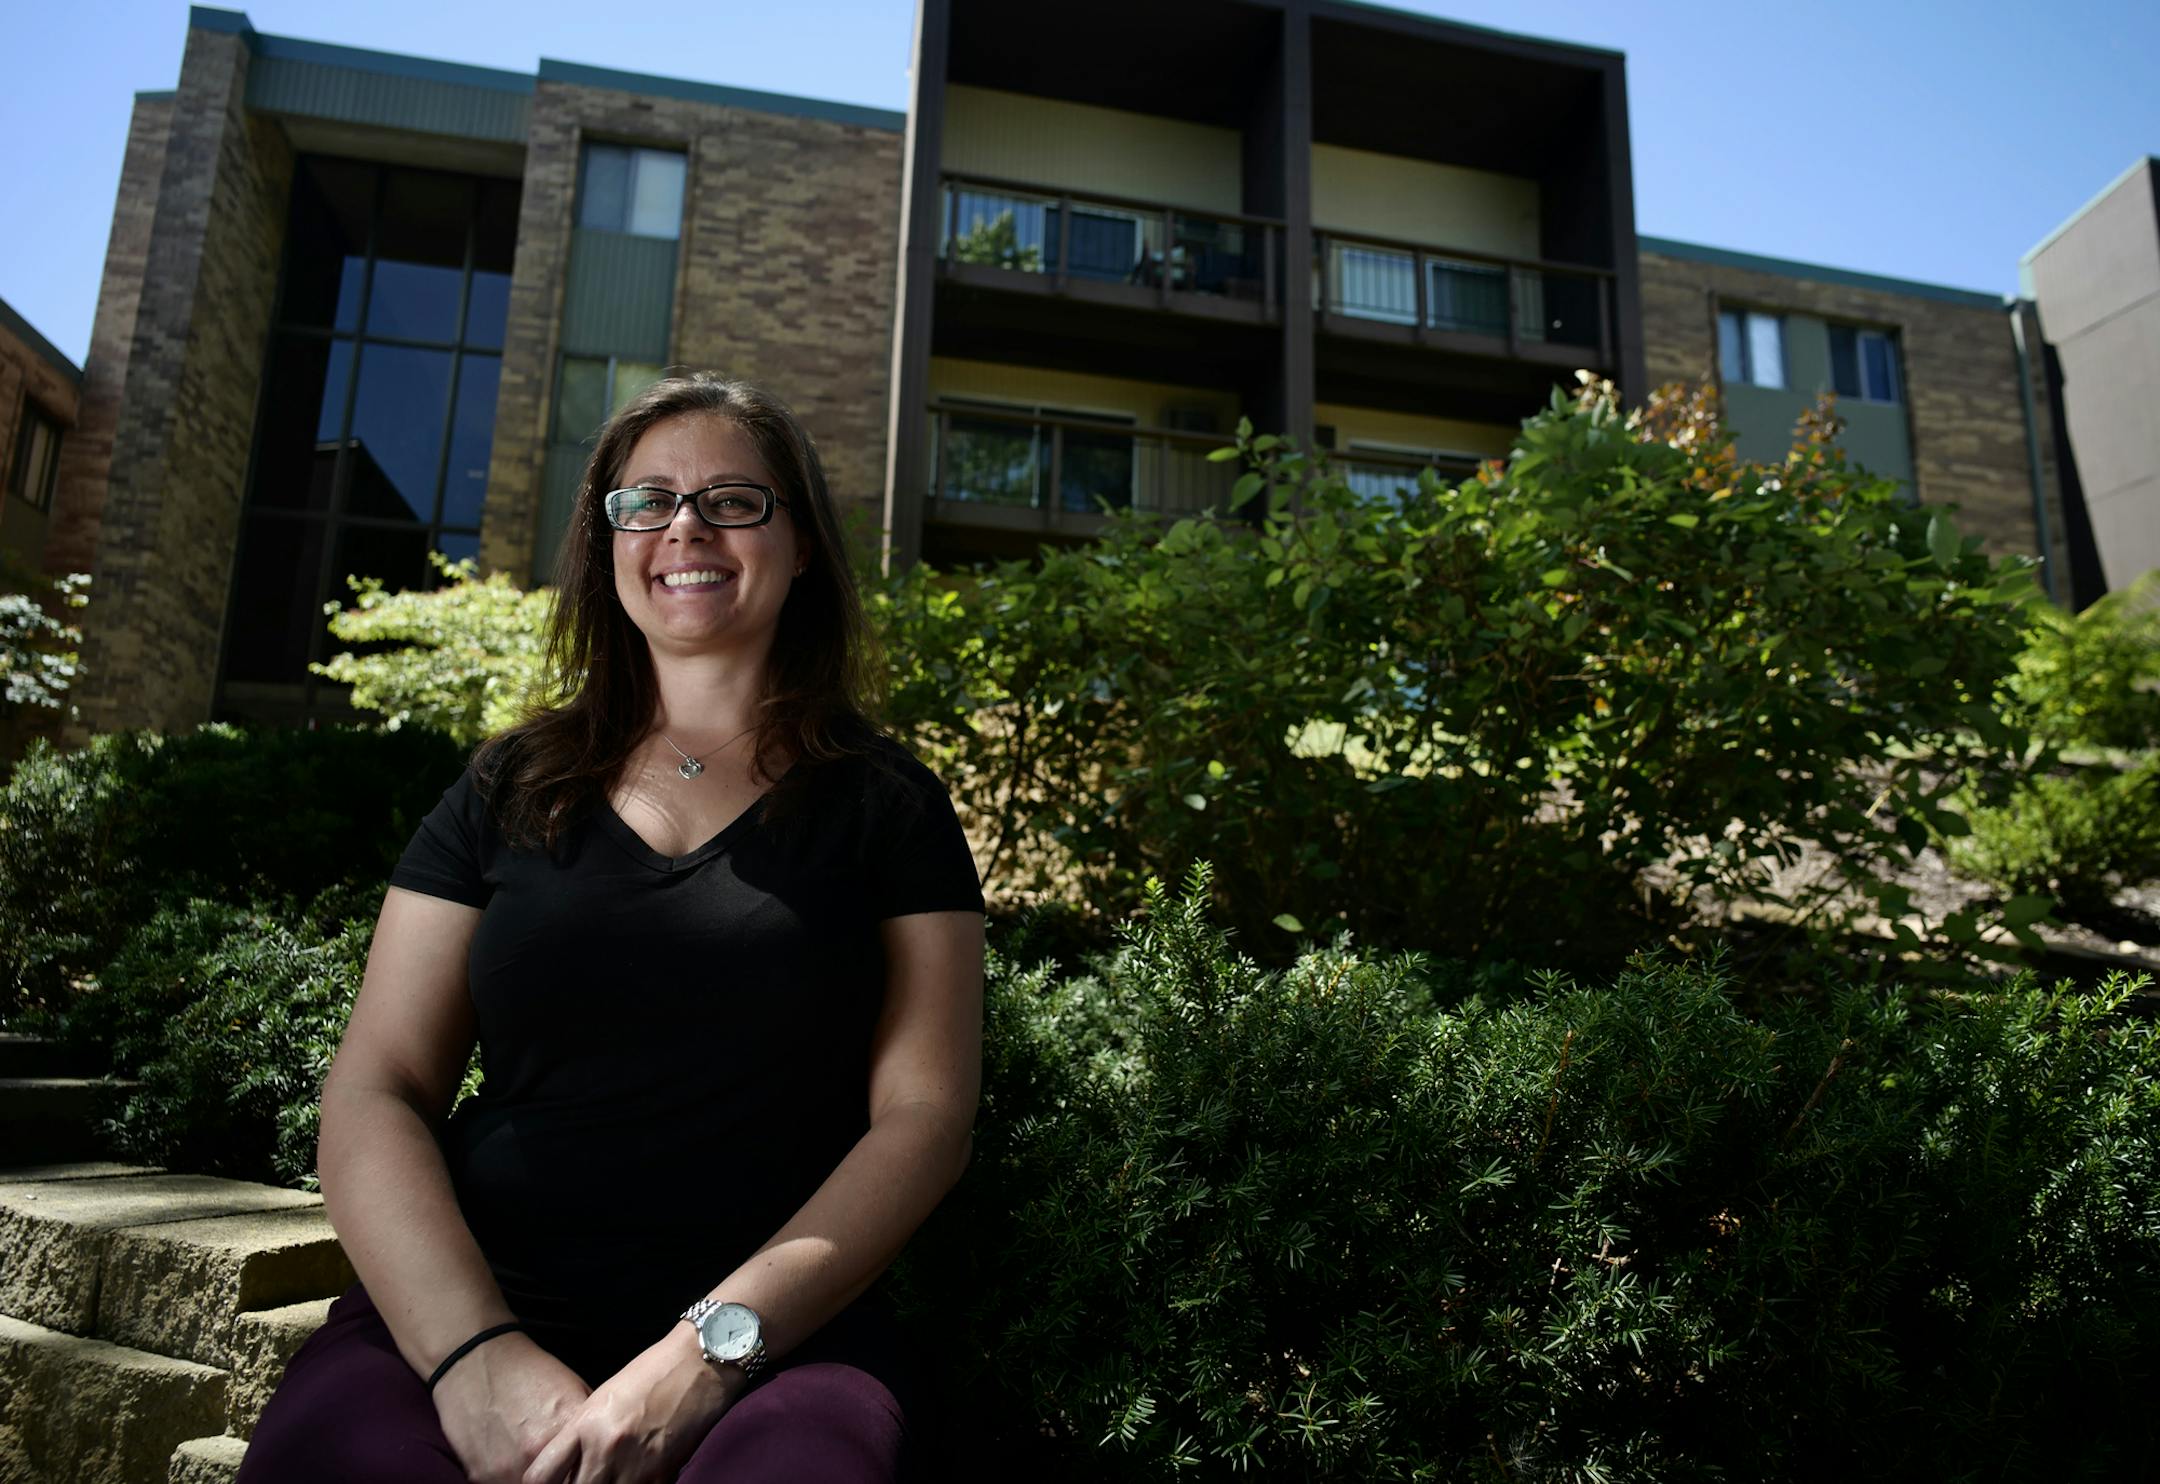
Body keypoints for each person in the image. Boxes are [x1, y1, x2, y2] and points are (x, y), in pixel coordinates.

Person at [238, 374, 986, 1484]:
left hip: (783, 1345)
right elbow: (378, 1083)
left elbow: (924, 1116)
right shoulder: (506, 784)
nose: (685, 524)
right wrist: (473, 1358)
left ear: (803, 546)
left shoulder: (892, 807)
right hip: (478, 1305)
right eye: (647, 501)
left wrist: (706, 1356)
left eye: (734, 499)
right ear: (610, 543)